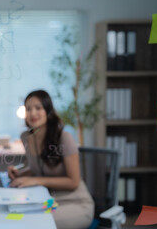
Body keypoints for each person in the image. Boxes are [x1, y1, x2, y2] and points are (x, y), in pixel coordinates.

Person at [7, 90, 94, 229]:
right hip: (48, 200)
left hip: (75, 203)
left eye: (38, 108)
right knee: (15, 217)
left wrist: (35, 180)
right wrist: (20, 173)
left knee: (31, 223)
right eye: (28, 109)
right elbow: (38, 168)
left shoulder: (64, 137)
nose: (33, 113)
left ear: (48, 111)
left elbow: (74, 182)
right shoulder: (26, 137)